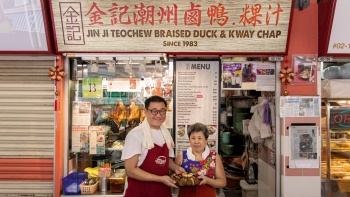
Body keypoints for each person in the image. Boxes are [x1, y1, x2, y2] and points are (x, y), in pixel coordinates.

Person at [121, 96, 186, 197]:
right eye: (154, 111)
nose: (158, 115)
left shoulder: (166, 134)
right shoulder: (136, 135)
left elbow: (166, 160)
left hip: (162, 192)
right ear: (145, 112)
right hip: (140, 192)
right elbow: (130, 170)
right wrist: (160, 179)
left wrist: (176, 168)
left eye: (162, 111)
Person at [174, 123, 226, 197]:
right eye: (193, 138)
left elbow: (222, 182)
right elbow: (172, 177)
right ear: (189, 140)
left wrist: (208, 181)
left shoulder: (214, 157)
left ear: (206, 140)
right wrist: (177, 178)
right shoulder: (181, 156)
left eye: (199, 138)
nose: (196, 142)